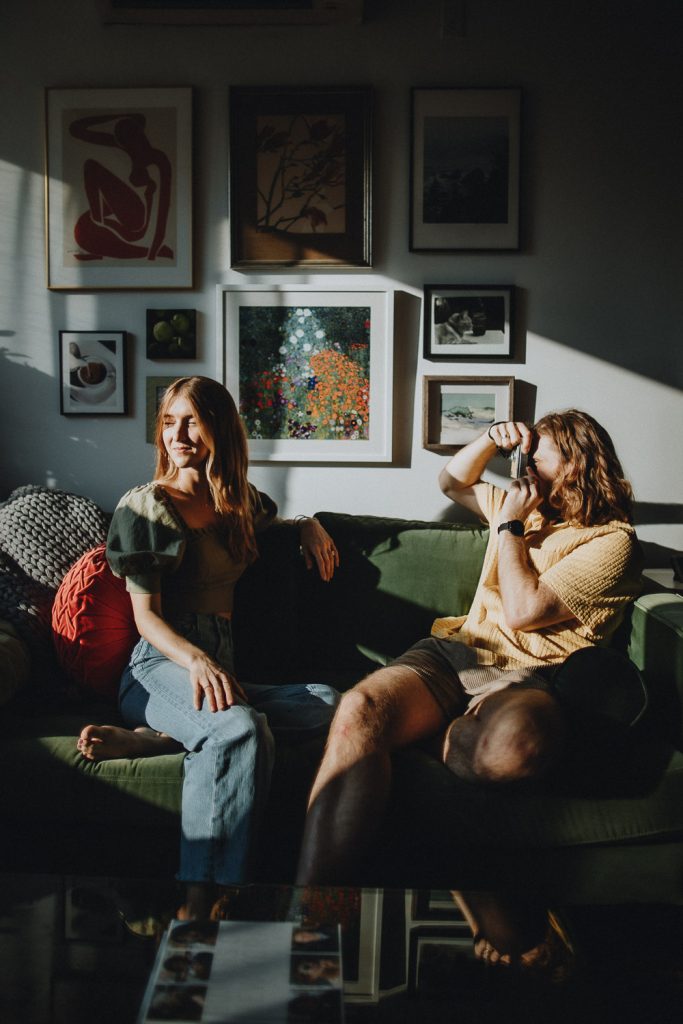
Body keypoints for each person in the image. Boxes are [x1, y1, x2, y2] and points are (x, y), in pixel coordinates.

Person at [295, 410, 642, 890]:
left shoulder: (611, 542)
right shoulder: (522, 507)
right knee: (358, 707)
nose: (524, 467)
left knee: (514, 748)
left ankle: (413, 735)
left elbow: (524, 611)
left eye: (537, 457)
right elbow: (451, 480)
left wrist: (511, 527)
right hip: (454, 656)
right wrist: (488, 439)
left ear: (577, 463)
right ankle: (309, 903)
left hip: (531, 674)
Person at [77, 376, 341, 917]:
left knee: (334, 703)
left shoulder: (237, 502)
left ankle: (159, 740)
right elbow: (146, 619)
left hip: (223, 670)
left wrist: (307, 525)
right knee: (242, 729)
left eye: (192, 420)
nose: (178, 434)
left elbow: (278, 519)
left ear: (220, 428)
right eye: (170, 421)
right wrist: (196, 659)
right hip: (160, 667)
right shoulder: (147, 507)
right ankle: (206, 894)